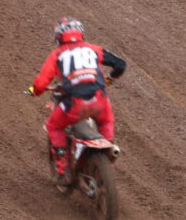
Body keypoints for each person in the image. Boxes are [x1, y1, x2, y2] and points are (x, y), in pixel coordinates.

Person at [28, 17, 126, 185]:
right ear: (81, 33)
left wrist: (35, 91)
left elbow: (41, 83)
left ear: (59, 36)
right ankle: (109, 156)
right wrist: (110, 79)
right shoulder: (93, 49)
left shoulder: (57, 54)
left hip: (75, 103)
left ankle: (62, 171)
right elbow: (120, 64)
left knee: (54, 126)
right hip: (100, 100)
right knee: (106, 121)